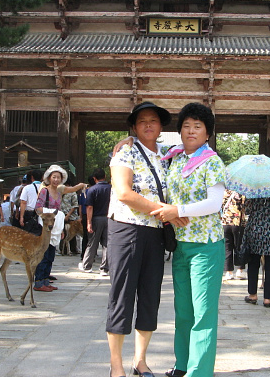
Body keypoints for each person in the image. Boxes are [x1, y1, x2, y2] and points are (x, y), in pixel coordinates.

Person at [150, 102, 226, 377]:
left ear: (207, 133)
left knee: (203, 314)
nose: (191, 131)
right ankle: (182, 364)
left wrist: (177, 211)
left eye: (198, 126)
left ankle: (199, 372)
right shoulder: (174, 158)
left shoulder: (212, 161)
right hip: (180, 246)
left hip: (206, 247)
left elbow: (214, 203)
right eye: (186, 126)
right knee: (183, 312)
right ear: (179, 131)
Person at [106, 101, 177, 377]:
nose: (149, 125)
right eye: (142, 121)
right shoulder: (125, 152)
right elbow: (123, 193)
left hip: (156, 234)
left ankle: (140, 360)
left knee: (150, 297)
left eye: (154, 121)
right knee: (122, 296)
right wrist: (164, 211)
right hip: (127, 229)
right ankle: (116, 366)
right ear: (134, 127)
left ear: (161, 127)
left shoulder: (169, 155)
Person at [33, 164, 86, 291]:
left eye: (58, 177)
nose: (56, 180)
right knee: (44, 255)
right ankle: (39, 282)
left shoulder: (60, 190)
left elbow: (72, 190)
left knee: (51, 255)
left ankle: (46, 280)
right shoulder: (44, 191)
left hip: (55, 227)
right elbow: (38, 208)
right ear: (49, 178)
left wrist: (81, 185)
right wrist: (50, 213)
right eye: (54, 177)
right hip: (45, 227)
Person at [241, 196, 270, 307]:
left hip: (256, 229)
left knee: (253, 264)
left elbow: (247, 210)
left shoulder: (254, 189)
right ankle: (268, 298)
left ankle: (253, 294)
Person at [79, 168, 111, 275]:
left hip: (96, 218)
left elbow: (89, 207)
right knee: (107, 244)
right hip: (109, 218)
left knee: (92, 242)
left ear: (94, 178)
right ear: (105, 177)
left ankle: (87, 266)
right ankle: (105, 268)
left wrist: (88, 222)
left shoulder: (92, 190)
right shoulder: (111, 189)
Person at [221, 189, 247, 281]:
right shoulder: (242, 193)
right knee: (239, 246)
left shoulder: (225, 192)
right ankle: (240, 270)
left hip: (225, 222)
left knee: (227, 247)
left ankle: (229, 272)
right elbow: (245, 206)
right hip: (238, 223)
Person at [18, 169, 44, 235]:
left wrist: (21, 217)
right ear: (42, 178)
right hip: (43, 214)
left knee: (28, 236)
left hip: (29, 215)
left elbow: (23, 203)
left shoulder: (27, 188)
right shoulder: (46, 188)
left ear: (32, 177)